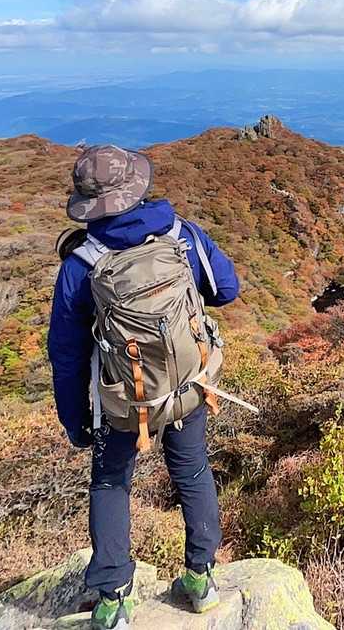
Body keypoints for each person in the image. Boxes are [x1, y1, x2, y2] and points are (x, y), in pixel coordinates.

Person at [48, 145, 240, 629]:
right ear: (137, 187)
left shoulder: (82, 263)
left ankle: (112, 601)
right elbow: (227, 290)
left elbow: (67, 355)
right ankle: (201, 580)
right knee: (193, 472)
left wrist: (75, 420)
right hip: (187, 387)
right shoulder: (182, 235)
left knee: (110, 483)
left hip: (121, 401)